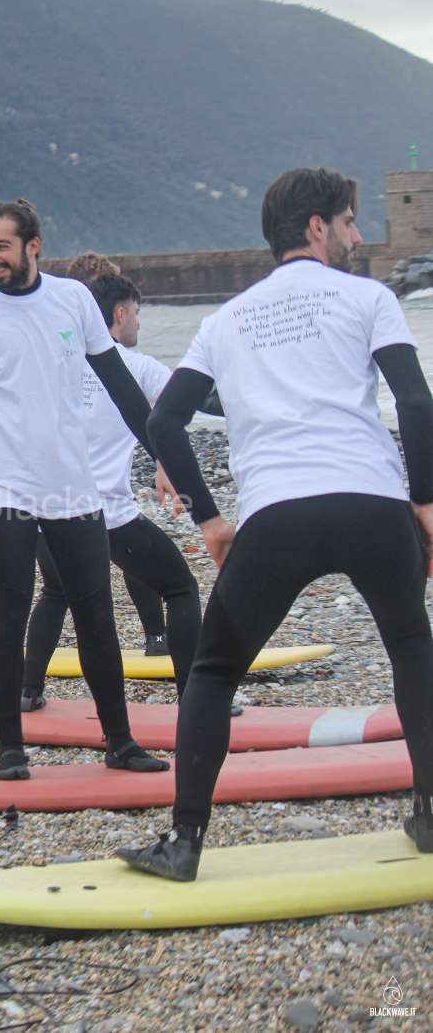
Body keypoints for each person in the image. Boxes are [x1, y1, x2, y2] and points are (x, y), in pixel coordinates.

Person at [117, 167, 433, 881]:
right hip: (370, 503)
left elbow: (165, 422)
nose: (357, 236)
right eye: (348, 222)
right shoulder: (369, 297)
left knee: (214, 671)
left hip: (278, 513)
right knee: (413, 646)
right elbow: (416, 403)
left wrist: (210, 519)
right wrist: (424, 502)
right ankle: (430, 813)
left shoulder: (225, 320)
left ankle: (185, 843)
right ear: (317, 226)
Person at [0, 199, 169, 780]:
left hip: (73, 487)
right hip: (5, 490)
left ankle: (120, 743)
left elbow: (120, 386)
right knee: (9, 613)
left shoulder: (73, 300)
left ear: (33, 245)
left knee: (96, 615)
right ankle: (10, 749)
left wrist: (162, 451)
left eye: (2, 247)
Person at [21, 254, 202, 711]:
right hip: (106, 515)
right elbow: (191, 402)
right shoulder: (135, 366)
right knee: (181, 587)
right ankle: (195, 696)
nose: (139, 322)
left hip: (46, 509)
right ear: (119, 314)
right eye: (137, 313)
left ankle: (27, 691)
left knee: (55, 592)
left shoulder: (54, 364)